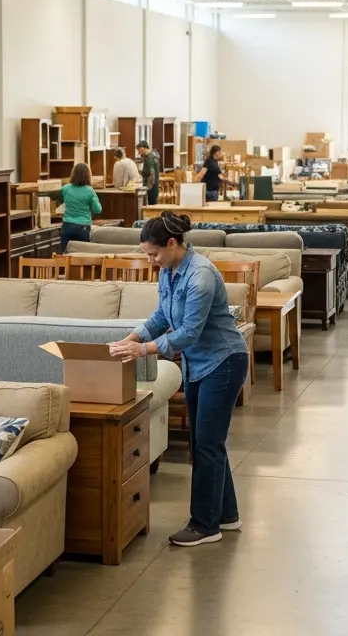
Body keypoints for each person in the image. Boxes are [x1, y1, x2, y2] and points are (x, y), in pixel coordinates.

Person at [109, 212, 250, 547]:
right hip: (199, 365)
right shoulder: (168, 271)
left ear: (172, 244)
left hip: (224, 362)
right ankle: (226, 516)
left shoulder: (199, 275)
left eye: (153, 254)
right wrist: (132, 337)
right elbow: (162, 316)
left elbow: (188, 332)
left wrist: (142, 349)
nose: (151, 261)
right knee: (208, 442)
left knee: (206, 444)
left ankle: (205, 525)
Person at [58, 163, 102, 253]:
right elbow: (97, 210)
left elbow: (59, 201)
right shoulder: (89, 191)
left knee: (64, 255)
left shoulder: (65, 189)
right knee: (82, 256)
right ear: (87, 175)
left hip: (67, 226)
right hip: (82, 227)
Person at [137, 140, 161, 205]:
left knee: (151, 206)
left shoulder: (150, 159)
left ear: (142, 148)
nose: (138, 152)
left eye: (139, 150)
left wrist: (147, 187)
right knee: (153, 204)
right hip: (154, 185)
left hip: (151, 186)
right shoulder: (153, 156)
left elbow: (152, 174)